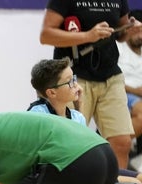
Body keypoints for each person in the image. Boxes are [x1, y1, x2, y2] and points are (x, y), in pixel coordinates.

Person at [39, 0, 142, 170]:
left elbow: (121, 32)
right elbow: (46, 35)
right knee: (70, 142)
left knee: (121, 142)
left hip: (111, 75)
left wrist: (129, 29)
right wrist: (88, 36)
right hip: (73, 77)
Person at [117, 10, 142, 148]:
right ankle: (111, 147)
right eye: (137, 30)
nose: (140, 36)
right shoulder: (117, 48)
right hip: (122, 94)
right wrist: (136, 91)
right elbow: (110, 80)